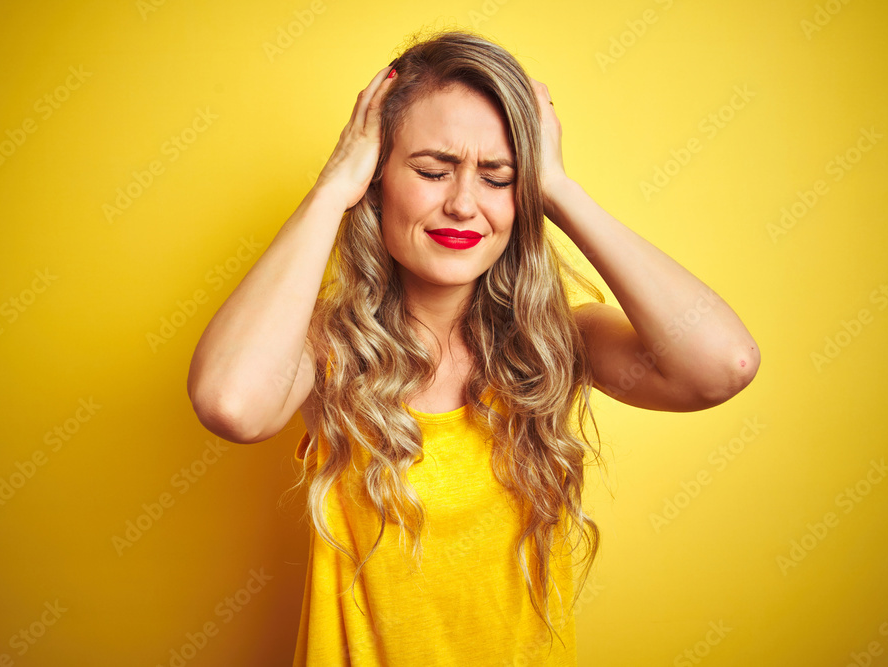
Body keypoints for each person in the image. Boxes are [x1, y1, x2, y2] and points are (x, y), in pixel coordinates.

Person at [187, 28, 759, 666]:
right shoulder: (329, 345)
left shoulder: (558, 341)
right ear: (377, 181)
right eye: (433, 171)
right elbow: (230, 404)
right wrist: (332, 189)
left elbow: (722, 367)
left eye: (497, 177)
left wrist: (560, 190)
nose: (462, 203)